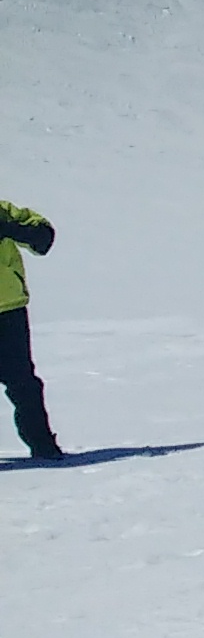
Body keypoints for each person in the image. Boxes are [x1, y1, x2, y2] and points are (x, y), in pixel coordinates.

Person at [2, 196, 62, 461]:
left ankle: (44, 447)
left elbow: (43, 237)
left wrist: (11, 229)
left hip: (8, 310)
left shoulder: (3, 211)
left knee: (23, 384)